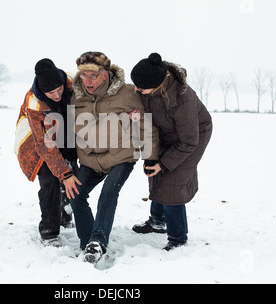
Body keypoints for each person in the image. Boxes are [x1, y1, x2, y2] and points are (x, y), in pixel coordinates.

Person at [69, 51, 159, 263]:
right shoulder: (77, 96)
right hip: (91, 159)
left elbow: (146, 125)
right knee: (75, 193)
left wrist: (151, 157)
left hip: (122, 156)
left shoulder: (127, 93)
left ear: (105, 74)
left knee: (109, 192)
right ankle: (88, 242)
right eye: (83, 75)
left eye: (93, 75)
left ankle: (98, 241)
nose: (87, 80)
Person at [130, 53, 213, 251]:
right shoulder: (148, 88)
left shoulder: (183, 100)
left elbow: (188, 142)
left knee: (172, 184)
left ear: (156, 84)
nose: (136, 89)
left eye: (140, 87)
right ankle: (157, 221)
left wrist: (164, 163)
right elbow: (143, 109)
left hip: (193, 136)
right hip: (166, 132)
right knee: (154, 173)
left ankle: (178, 238)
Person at [14, 58, 82, 247]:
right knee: (50, 179)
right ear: (43, 91)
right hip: (35, 141)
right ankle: (49, 231)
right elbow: (45, 146)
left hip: (65, 130)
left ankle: (65, 214)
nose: (57, 94)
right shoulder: (34, 104)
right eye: (51, 93)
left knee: (71, 171)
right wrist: (63, 173)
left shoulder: (71, 81)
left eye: (59, 89)